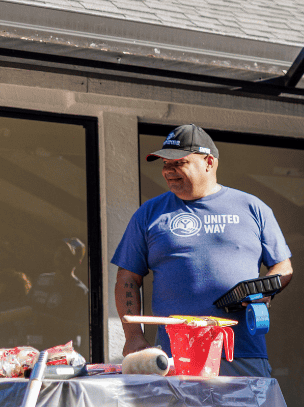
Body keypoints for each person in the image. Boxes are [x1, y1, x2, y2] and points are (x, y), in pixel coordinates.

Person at [112, 124, 294, 377]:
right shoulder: (149, 214)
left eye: (179, 163)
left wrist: (264, 290)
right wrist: (133, 337)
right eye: (165, 163)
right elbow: (128, 278)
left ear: (209, 162)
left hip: (241, 351)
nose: (168, 171)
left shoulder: (253, 208)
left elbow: (283, 267)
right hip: (174, 356)